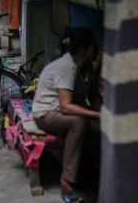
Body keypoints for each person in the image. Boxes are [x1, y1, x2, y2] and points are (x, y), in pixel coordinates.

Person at [32, 27, 100, 203]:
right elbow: (66, 107)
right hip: (46, 115)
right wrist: (97, 114)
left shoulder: (77, 66)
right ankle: (67, 182)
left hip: (56, 112)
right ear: (83, 50)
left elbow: (85, 95)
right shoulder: (67, 67)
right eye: (94, 47)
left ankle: (89, 174)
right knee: (79, 123)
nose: (97, 50)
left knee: (97, 128)